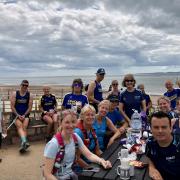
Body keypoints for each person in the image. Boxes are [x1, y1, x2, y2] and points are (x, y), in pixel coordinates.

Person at [43, 109, 112, 180]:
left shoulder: (75, 137)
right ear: (60, 123)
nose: (71, 125)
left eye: (73, 122)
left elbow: (89, 155)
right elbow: (47, 174)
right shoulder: (53, 144)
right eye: (67, 122)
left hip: (70, 175)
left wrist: (102, 161)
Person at [145, 111, 180, 180]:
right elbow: (149, 158)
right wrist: (152, 168)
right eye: (156, 127)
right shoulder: (150, 143)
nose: (160, 131)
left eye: (164, 127)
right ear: (151, 129)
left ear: (170, 129)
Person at [74, 104, 102, 169]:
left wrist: (104, 160)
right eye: (87, 115)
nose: (90, 117)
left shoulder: (92, 130)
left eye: (92, 115)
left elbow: (98, 151)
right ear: (82, 117)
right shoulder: (78, 132)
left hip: (91, 161)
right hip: (80, 167)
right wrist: (91, 169)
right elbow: (77, 159)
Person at [10, 80, 33, 153]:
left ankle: (23, 144)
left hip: (25, 114)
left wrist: (24, 115)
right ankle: (24, 142)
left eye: (26, 85)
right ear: (21, 85)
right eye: (23, 85)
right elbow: (12, 106)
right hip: (16, 115)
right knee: (19, 126)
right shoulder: (15, 94)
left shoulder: (30, 95)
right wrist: (18, 115)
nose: (24, 87)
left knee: (24, 126)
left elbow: (29, 107)